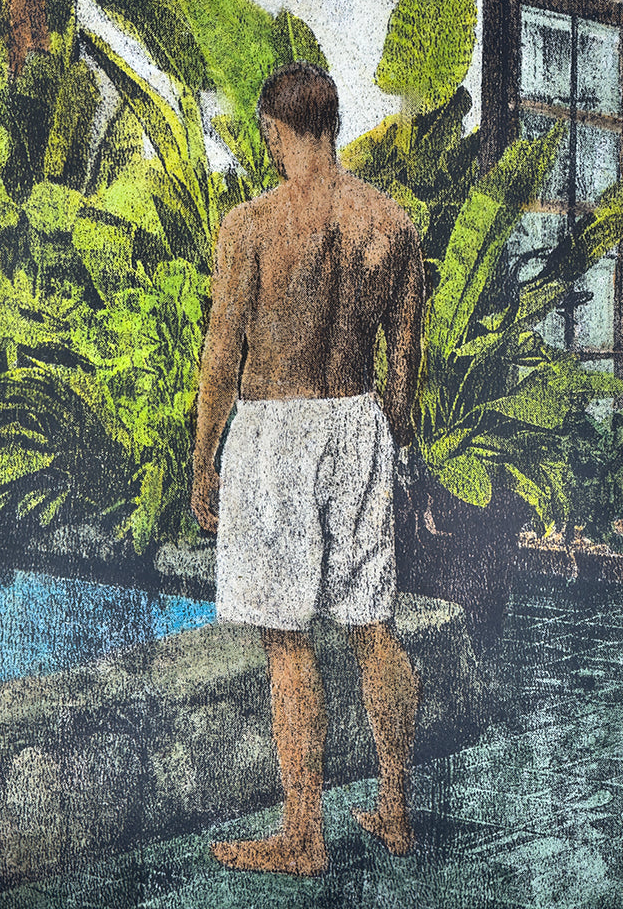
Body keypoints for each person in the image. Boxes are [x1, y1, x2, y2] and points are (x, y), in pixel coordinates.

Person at [191, 61, 425, 877]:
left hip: (276, 433)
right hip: (357, 421)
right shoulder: (391, 223)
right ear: (333, 122)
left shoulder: (251, 225)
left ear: (274, 130)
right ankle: (394, 810)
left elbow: (223, 355)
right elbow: (405, 367)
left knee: (287, 643)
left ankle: (304, 835)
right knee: (373, 628)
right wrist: (389, 446)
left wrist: (203, 459)